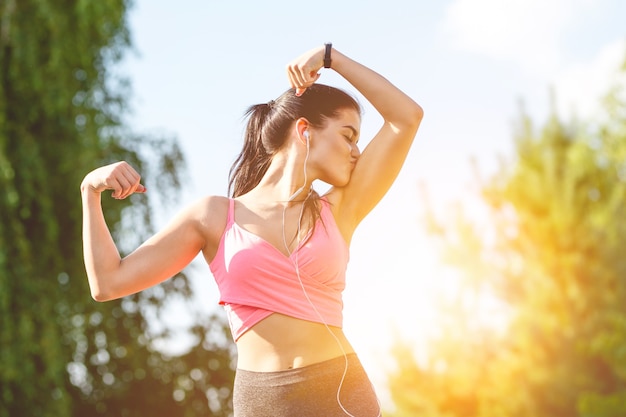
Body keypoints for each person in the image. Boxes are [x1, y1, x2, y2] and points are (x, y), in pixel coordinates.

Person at [80, 43, 423, 417]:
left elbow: (406, 117)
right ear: (304, 129)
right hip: (264, 401)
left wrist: (331, 58)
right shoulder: (213, 216)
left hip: (341, 392)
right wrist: (90, 190)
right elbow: (107, 284)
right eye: (348, 135)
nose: (357, 151)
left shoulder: (340, 209)